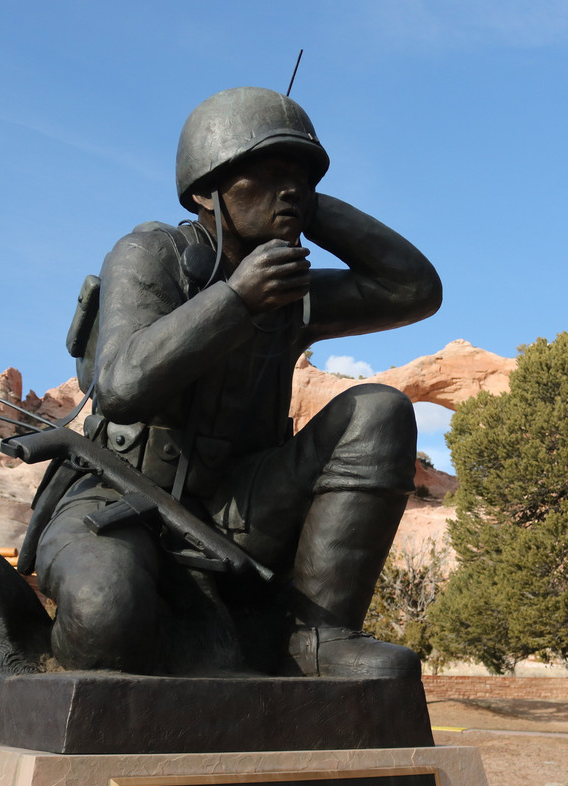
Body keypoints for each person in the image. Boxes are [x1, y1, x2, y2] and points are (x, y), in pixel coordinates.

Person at [33, 87, 441, 678]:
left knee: (377, 409)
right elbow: (119, 385)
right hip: (120, 498)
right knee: (104, 614)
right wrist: (235, 300)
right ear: (206, 188)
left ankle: (319, 639)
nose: (292, 190)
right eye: (269, 174)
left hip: (241, 505)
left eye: (302, 179)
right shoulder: (152, 253)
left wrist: (305, 207)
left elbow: (414, 290)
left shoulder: (288, 287)